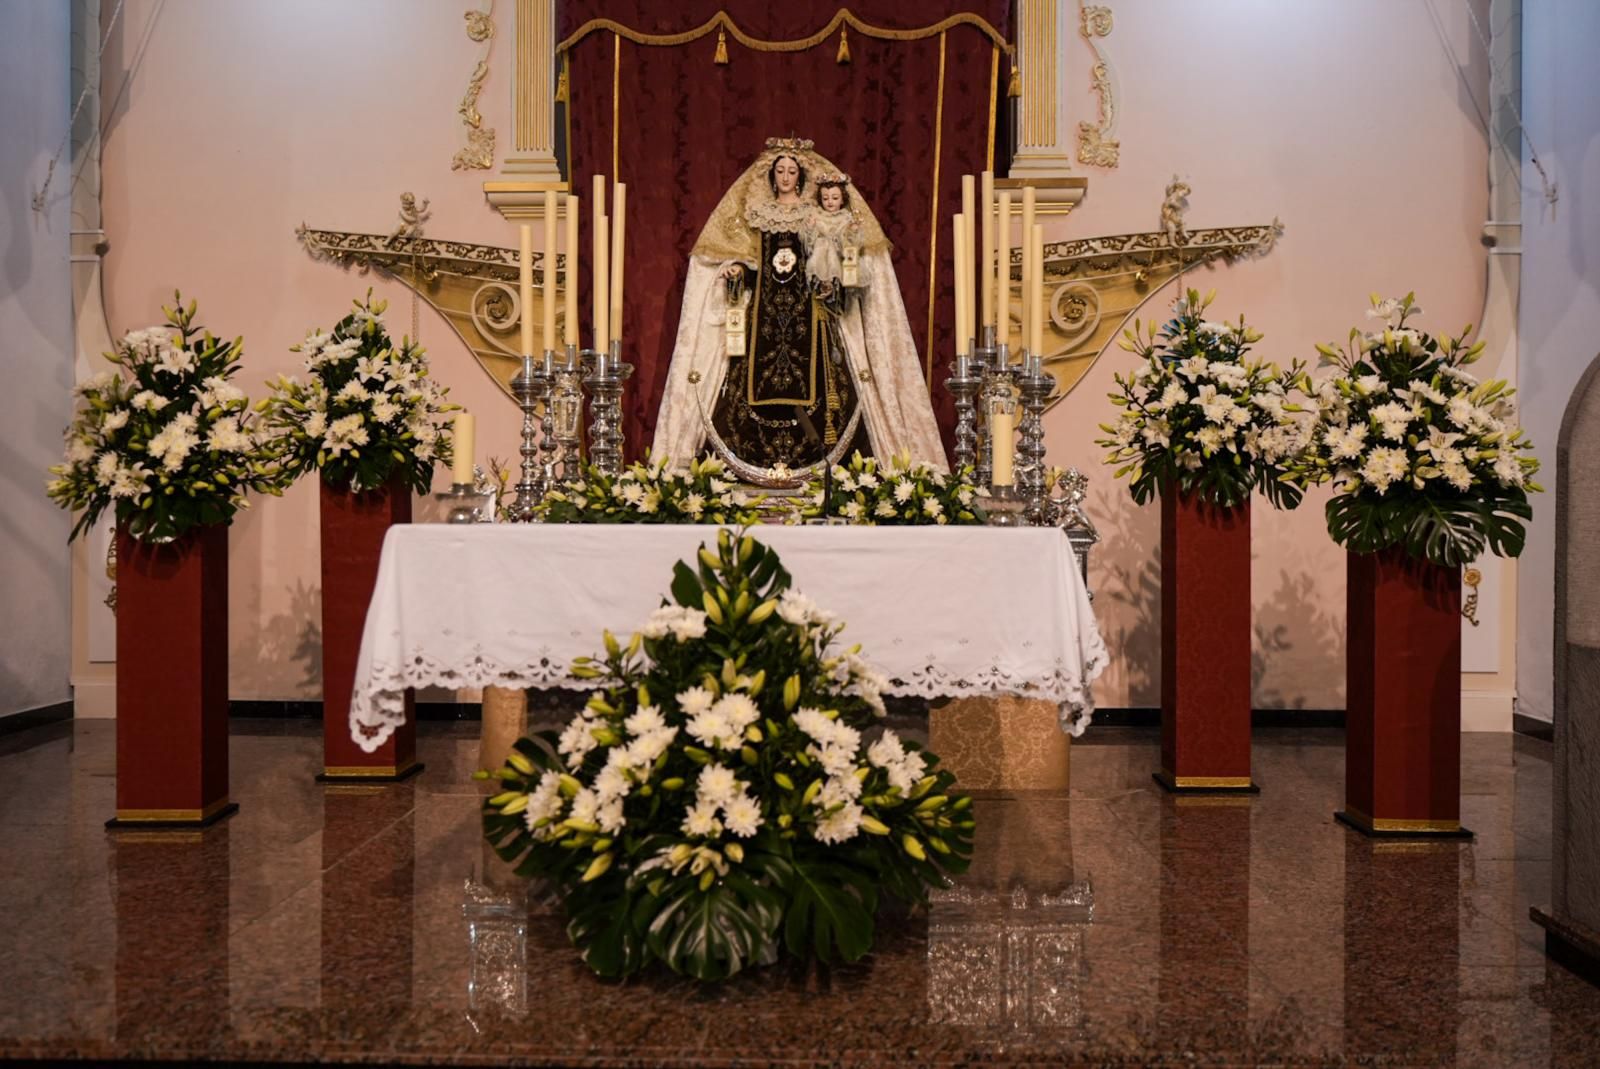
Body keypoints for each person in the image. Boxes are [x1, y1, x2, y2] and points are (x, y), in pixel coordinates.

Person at [653, 137, 946, 478]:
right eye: (781, 170)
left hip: (811, 317)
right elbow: (751, 261)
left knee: (824, 384)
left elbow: (830, 257)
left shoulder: (814, 216)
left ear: (801, 177)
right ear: (771, 175)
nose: (787, 176)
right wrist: (737, 271)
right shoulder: (757, 214)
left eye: (792, 171)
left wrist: (832, 276)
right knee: (745, 384)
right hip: (762, 316)